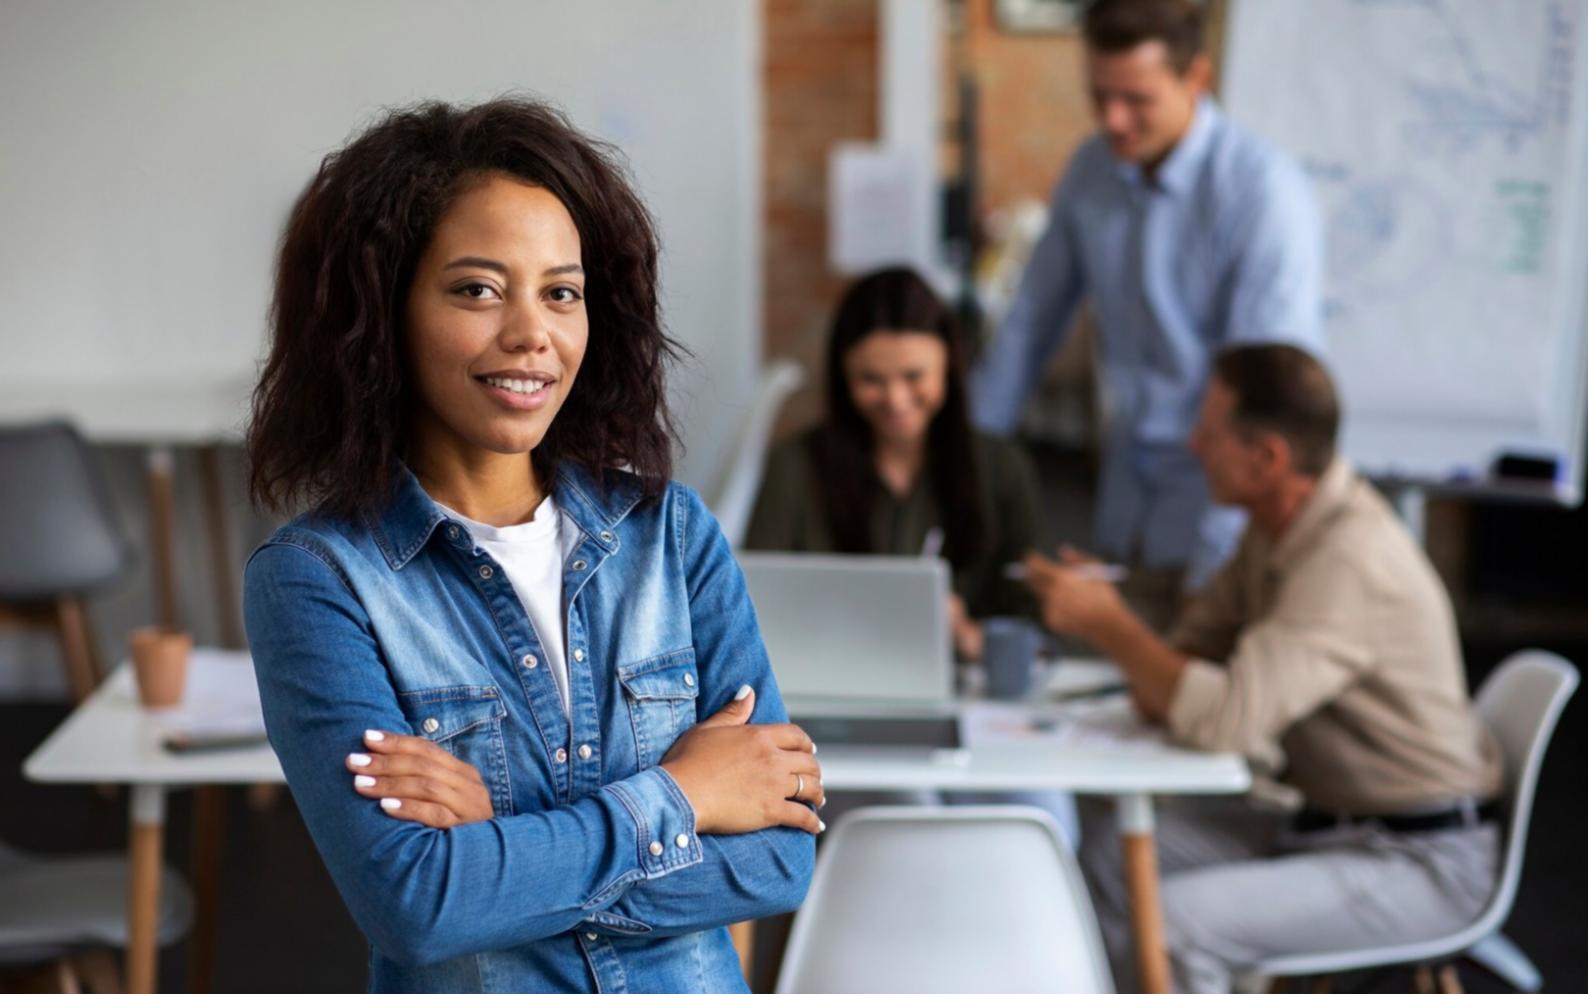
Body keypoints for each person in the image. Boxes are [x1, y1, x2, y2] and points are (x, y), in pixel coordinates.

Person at [242, 98, 821, 993]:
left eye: (561, 292)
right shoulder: (317, 581)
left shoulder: (673, 535)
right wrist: (684, 797)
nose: (532, 335)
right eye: (476, 288)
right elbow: (416, 906)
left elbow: (778, 861)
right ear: (380, 311)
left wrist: (504, 841)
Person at [1023, 344, 1502, 994]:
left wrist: (1110, 625)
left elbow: (1223, 721)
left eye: (1209, 431)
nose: (1192, 444)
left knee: (1176, 926)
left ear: (1268, 457)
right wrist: (1131, 636)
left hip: (1417, 858)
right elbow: (1185, 663)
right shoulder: (1273, 527)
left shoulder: (1347, 559)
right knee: (1111, 855)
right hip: (1327, 825)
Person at [971, 0, 1325, 626]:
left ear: (1196, 79)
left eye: (1136, 99)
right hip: (1122, 507)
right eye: (1099, 95)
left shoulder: (1262, 193)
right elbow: (1029, 324)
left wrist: (1217, 557)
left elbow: (1265, 400)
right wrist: (967, 458)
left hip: (1222, 522)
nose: (1113, 120)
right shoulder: (1090, 170)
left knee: (1197, 708)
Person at [745, 267, 1043, 661]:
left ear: (948, 370)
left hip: (966, 687)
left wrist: (969, 635)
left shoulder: (1002, 468)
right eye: (871, 379)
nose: (896, 400)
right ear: (843, 376)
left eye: (913, 376)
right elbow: (755, 604)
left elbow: (1032, 624)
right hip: (828, 676)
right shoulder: (794, 466)